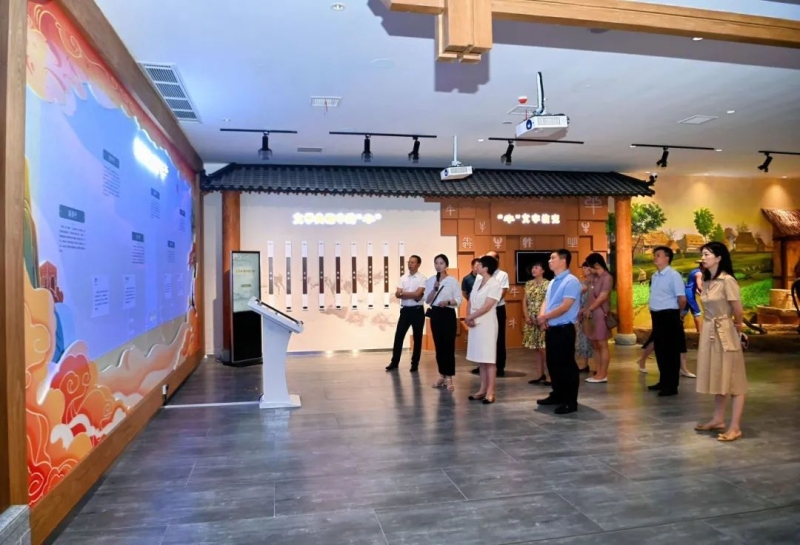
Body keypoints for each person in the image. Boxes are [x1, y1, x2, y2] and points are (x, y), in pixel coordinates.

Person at [694, 241, 748, 442]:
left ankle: (735, 427)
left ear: (718, 258)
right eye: (702, 254)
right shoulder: (707, 281)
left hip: (725, 331)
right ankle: (718, 420)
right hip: (710, 331)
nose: (703, 257)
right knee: (719, 375)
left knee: (734, 380)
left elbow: (738, 310)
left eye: (707, 254)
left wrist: (738, 329)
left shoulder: (728, 281)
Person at [536, 249, 582, 415]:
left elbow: (565, 306)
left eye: (552, 258)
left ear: (563, 261)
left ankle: (570, 401)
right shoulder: (553, 281)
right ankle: (557, 394)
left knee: (566, 365)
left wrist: (545, 317)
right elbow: (546, 301)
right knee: (553, 364)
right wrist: (543, 317)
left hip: (564, 329)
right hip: (552, 328)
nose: (549, 261)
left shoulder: (571, 281)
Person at [646, 246, 686, 396]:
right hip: (657, 316)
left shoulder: (674, 275)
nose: (655, 257)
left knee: (671, 352)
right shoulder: (655, 275)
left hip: (669, 316)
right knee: (660, 350)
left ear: (667, 258)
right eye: (655, 255)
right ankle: (663, 381)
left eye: (658, 255)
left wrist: (678, 314)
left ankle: (671, 385)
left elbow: (682, 299)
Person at [464, 255, 502, 404]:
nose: (476, 266)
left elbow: (487, 306)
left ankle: (491, 392)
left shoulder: (495, 284)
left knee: (489, 359)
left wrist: (471, 317)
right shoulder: (478, 281)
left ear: (486, 268)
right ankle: (482, 389)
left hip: (487, 323)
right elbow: (470, 300)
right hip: (475, 322)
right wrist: (469, 316)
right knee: (481, 359)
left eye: (479, 264)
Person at [426, 254, 462, 392]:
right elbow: (427, 300)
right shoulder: (431, 280)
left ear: (446, 265)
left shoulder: (452, 281)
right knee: (439, 346)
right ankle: (441, 375)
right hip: (435, 314)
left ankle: (449, 378)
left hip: (448, 313)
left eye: (441, 263)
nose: (438, 265)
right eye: (436, 263)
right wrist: (434, 289)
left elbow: (458, 300)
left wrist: (447, 302)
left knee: (448, 346)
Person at [470, 251, 509, 377]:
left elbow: (501, 293)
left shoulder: (502, 275)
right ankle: (482, 365)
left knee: (498, 339)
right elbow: (472, 296)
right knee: (482, 341)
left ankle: (499, 366)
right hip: (480, 312)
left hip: (496, 309)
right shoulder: (479, 277)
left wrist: (488, 304)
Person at [385, 255, 426, 372]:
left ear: (418, 264)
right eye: (409, 262)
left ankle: (415, 364)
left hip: (418, 311)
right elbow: (397, 294)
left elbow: (418, 294)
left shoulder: (422, 278)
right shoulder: (403, 278)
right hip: (405, 311)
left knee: (417, 338)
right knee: (399, 336)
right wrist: (411, 294)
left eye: (413, 262)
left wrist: (404, 294)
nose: (410, 264)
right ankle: (394, 362)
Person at [582, 253, 613, 383]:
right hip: (591, 315)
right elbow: (586, 290)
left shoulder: (607, 277)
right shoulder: (595, 278)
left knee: (602, 344)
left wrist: (590, 308)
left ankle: (603, 374)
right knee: (595, 344)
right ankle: (598, 372)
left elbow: (603, 297)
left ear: (596, 265)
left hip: (600, 314)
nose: (588, 269)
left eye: (589, 266)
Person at [522, 261, 550, 385]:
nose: (534, 269)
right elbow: (524, 301)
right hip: (531, 320)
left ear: (543, 270)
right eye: (533, 267)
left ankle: (550, 375)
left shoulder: (548, 284)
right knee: (537, 349)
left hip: (543, 319)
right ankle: (540, 374)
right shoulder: (528, 283)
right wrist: (526, 316)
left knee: (545, 348)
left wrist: (542, 317)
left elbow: (549, 302)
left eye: (537, 267)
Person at [575, 262, 594, 374]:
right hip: (581, 314)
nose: (584, 270)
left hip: (592, 313)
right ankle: (584, 364)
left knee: (594, 341)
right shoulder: (580, 283)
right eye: (583, 268)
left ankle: (598, 366)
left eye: (586, 267)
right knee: (582, 339)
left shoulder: (595, 283)